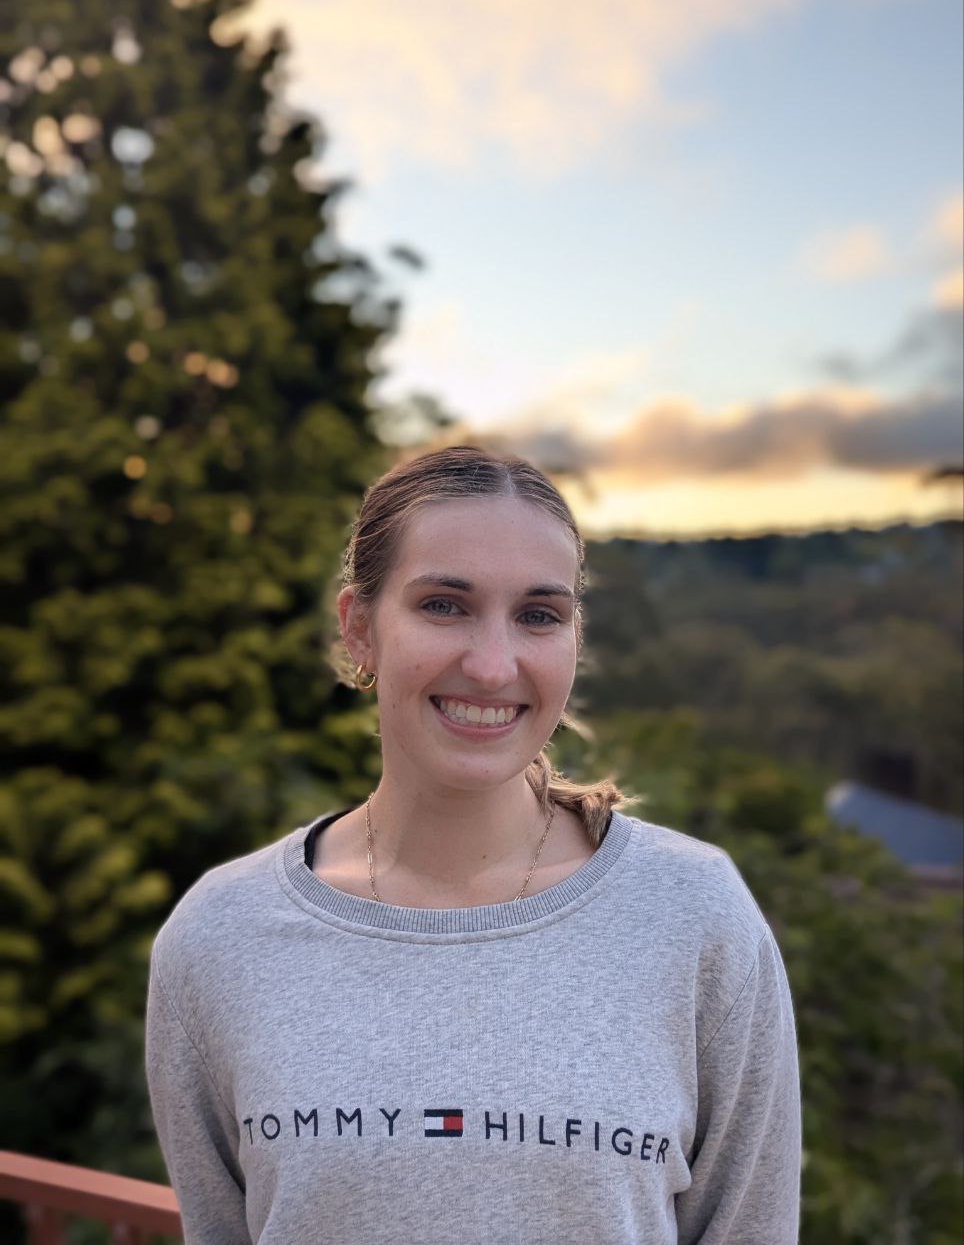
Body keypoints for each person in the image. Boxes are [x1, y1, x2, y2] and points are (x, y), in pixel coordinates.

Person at [145, 444, 802, 1244]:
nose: (493, 667)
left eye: (538, 616)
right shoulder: (220, 936)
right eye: (444, 605)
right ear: (359, 628)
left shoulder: (694, 916)